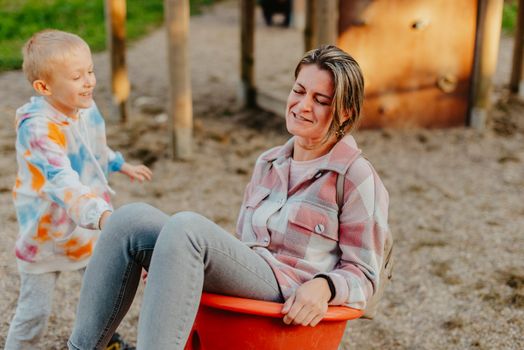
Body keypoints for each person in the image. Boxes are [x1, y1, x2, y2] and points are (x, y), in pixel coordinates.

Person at [68, 45, 389, 350]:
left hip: (289, 296)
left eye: (321, 100)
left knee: (187, 228)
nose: (303, 105)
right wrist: (172, 259)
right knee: (129, 219)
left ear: (345, 112)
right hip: (253, 283)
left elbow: (366, 276)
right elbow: (243, 249)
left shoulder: (355, 177)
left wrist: (326, 286)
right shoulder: (269, 162)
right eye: (299, 91)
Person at [6, 30, 152, 350]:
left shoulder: (84, 105)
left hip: (88, 225)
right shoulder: (38, 129)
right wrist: (104, 219)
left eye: (90, 71)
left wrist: (118, 164)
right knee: (34, 312)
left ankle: (104, 340)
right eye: (77, 76)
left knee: (102, 291)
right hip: (46, 232)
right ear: (44, 87)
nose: (89, 81)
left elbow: (91, 147)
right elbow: (63, 181)